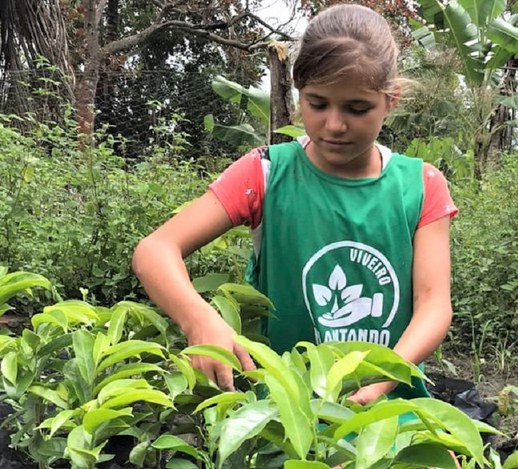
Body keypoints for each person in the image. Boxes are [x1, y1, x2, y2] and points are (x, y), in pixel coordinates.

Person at [132, 3, 457, 405]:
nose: (334, 125)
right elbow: (155, 250)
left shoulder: (420, 186)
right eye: (317, 104)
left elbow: (434, 305)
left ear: (391, 100)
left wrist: (384, 379)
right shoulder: (265, 175)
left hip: (393, 406)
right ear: (300, 93)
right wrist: (200, 321)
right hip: (284, 409)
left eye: (357, 109)